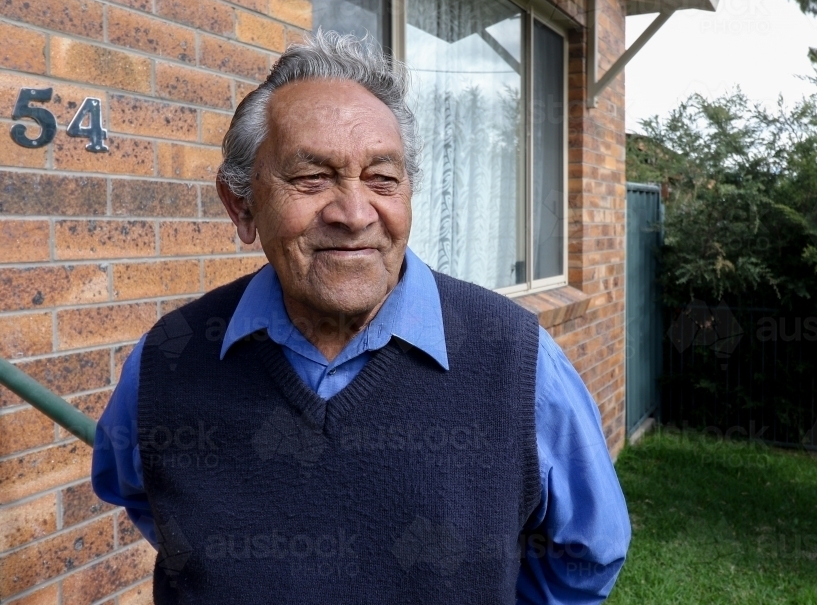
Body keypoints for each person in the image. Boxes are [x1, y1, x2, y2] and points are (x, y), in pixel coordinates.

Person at [91, 31, 631, 604]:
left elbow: (586, 554)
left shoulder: (515, 358)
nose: (354, 213)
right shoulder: (171, 358)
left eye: (382, 179)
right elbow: (146, 497)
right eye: (311, 178)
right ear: (241, 205)